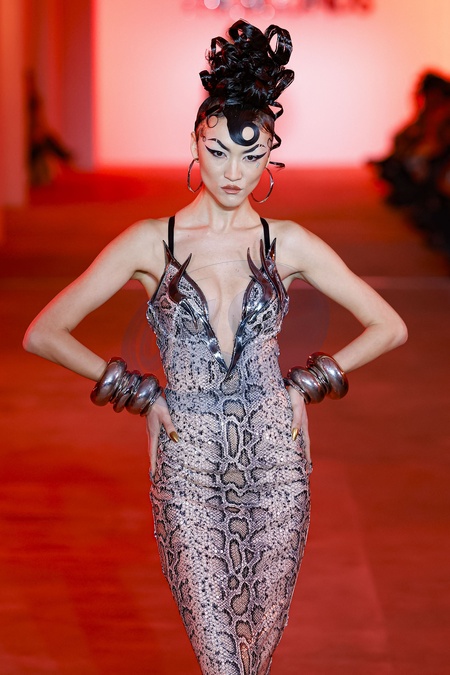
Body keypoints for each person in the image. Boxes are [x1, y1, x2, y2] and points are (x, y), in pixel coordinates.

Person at [23, 20, 407, 675]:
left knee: (253, 659)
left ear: (270, 155)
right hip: (188, 465)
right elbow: (44, 331)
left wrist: (306, 384)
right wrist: (140, 394)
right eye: (218, 150)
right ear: (195, 144)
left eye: (251, 157)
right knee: (222, 661)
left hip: (276, 465)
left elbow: (389, 325)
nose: (233, 172)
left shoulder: (288, 242)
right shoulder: (152, 242)